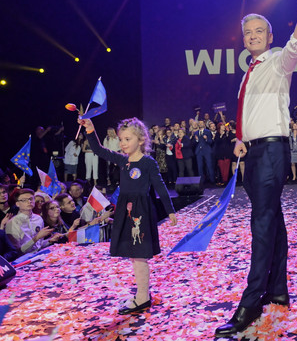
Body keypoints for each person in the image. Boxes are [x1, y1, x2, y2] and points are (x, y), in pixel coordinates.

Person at [215, 0, 297, 337]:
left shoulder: (281, 61)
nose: (252, 36)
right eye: (247, 32)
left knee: (261, 224)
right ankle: (278, 289)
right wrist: (238, 138)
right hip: (251, 152)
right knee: (273, 220)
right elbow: (248, 116)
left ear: (269, 37)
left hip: (271, 153)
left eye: (258, 31)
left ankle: (250, 303)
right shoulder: (247, 72)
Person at [78, 116, 177, 315]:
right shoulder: (122, 160)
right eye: (121, 139)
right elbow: (98, 150)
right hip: (126, 209)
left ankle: (142, 297)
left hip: (140, 211)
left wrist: (170, 210)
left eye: (127, 139)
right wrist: (90, 129)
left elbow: (160, 187)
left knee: (139, 256)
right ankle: (142, 294)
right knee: (134, 256)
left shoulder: (148, 163)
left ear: (141, 140)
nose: (122, 143)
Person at [5, 188, 63, 254]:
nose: (29, 202)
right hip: (24, 259)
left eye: (31, 199)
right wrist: (36, 238)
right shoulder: (13, 223)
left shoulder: (38, 218)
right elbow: (18, 251)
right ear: (17, 204)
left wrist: (49, 240)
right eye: (24, 200)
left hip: (40, 254)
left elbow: (38, 246)